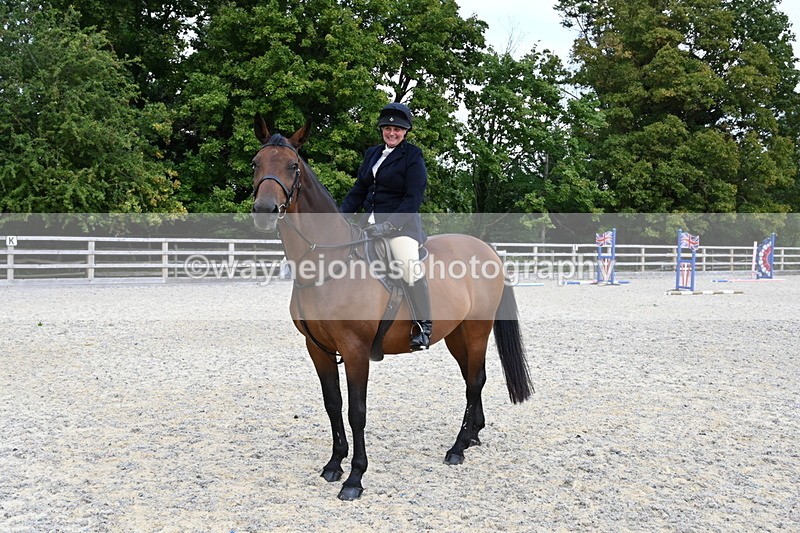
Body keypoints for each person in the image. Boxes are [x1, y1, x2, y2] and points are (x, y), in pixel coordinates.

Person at [340, 102, 432, 351]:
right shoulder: (372, 153)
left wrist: (390, 226)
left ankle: (423, 326)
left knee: (407, 266)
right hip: (367, 225)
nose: (392, 133)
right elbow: (359, 190)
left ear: (406, 132)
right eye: (388, 128)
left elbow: (413, 198)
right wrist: (338, 217)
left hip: (401, 227)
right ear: (382, 129)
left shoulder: (412, 156)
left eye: (398, 129)